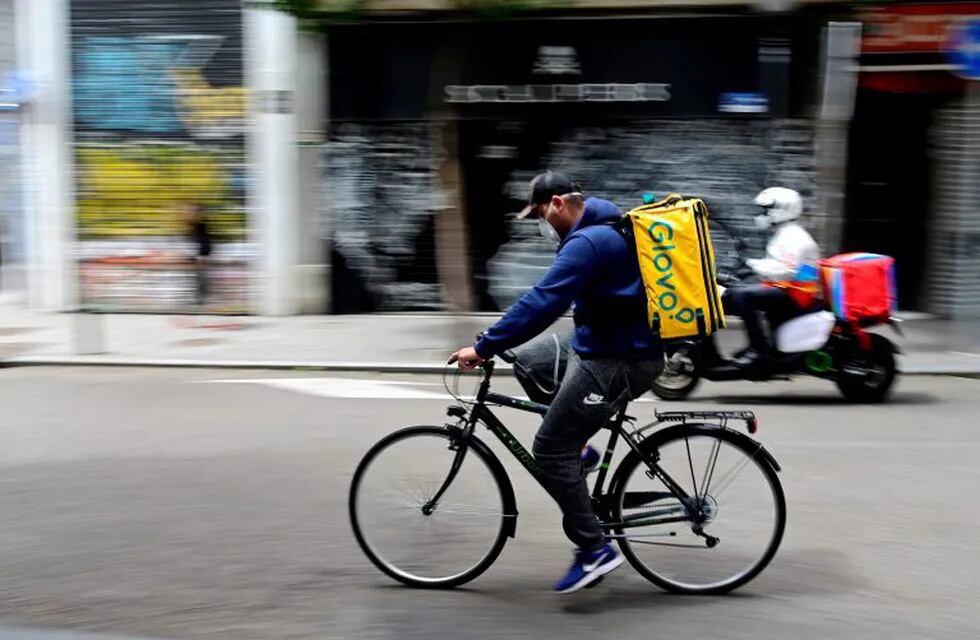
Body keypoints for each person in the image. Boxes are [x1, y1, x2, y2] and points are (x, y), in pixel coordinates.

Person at [449, 171, 663, 593]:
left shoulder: (588, 242)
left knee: (548, 448)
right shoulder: (598, 227)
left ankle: (595, 550)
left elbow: (543, 301)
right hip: (600, 342)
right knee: (530, 360)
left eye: (542, 215)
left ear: (559, 204)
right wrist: (501, 343)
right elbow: (543, 305)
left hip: (621, 357)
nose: (542, 225)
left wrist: (485, 347)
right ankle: (581, 451)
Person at [728, 187, 820, 370]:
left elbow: (787, 271)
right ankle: (761, 345)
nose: (762, 215)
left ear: (782, 209)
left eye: (766, 210)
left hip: (796, 294)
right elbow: (775, 265)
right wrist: (748, 267)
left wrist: (751, 264)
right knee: (735, 291)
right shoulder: (783, 233)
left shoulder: (795, 238)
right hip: (786, 288)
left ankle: (758, 350)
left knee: (744, 296)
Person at [184, 203, 213, 307]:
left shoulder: (200, 225)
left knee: (200, 276)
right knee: (199, 276)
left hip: (201, 253)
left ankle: (201, 299)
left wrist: (197, 256)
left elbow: (201, 241)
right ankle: (200, 298)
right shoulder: (197, 225)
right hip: (200, 253)